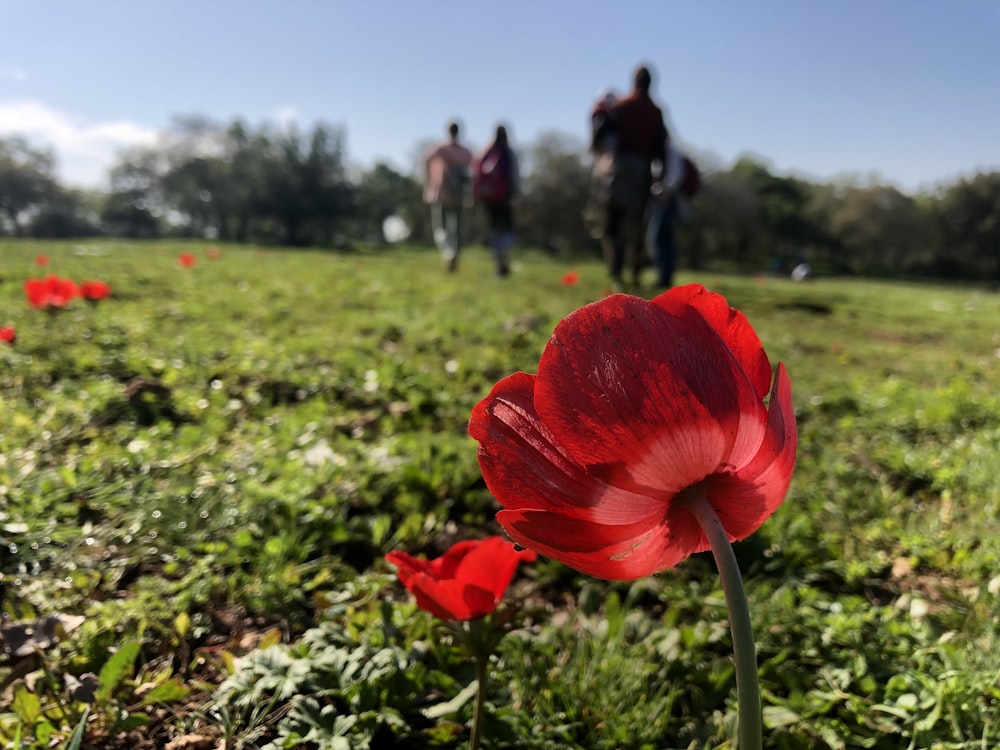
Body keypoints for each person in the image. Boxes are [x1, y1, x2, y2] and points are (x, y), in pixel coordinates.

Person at [600, 65, 668, 292]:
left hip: (619, 169)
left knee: (615, 224)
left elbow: (602, 133)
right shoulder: (656, 111)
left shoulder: (622, 105)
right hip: (643, 172)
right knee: (637, 225)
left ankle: (617, 271)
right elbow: (661, 148)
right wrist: (662, 178)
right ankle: (636, 273)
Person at [423, 121, 473, 272]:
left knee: (440, 228)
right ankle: (455, 254)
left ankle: (448, 252)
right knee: (457, 229)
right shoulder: (466, 152)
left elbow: (426, 159)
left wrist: (431, 178)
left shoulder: (441, 148)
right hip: (459, 194)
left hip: (442, 192)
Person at [473, 125, 520, 278]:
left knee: (494, 229)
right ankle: (504, 258)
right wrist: (516, 194)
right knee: (506, 229)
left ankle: (498, 262)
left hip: (489, 198)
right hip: (505, 197)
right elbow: (515, 175)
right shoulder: (509, 152)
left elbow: (475, 173)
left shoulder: (485, 152)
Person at [647, 139, 687, 288]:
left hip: (668, 200)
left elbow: (677, 173)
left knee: (660, 238)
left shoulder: (669, 149)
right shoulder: (657, 150)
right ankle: (663, 276)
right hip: (659, 199)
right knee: (659, 238)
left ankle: (665, 277)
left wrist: (666, 190)